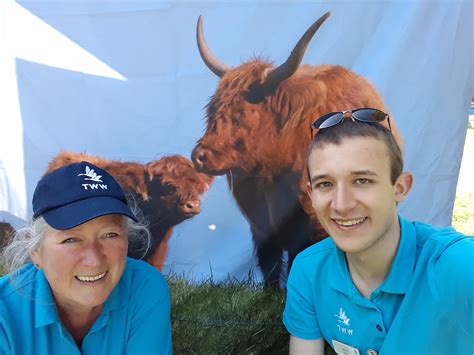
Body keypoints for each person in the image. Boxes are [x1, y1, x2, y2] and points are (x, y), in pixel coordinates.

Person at [283, 108, 473, 354]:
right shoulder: (309, 270)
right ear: (311, 195)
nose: (341, 204)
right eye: (325, 184)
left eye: (362, 180)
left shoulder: (455, 266)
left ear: (400, 188)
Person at [0, 161, 172, 354]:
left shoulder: (144, 286)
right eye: (71, 239)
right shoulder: (4, 312)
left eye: (110, 235)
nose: (94, 260)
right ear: (36, 252)